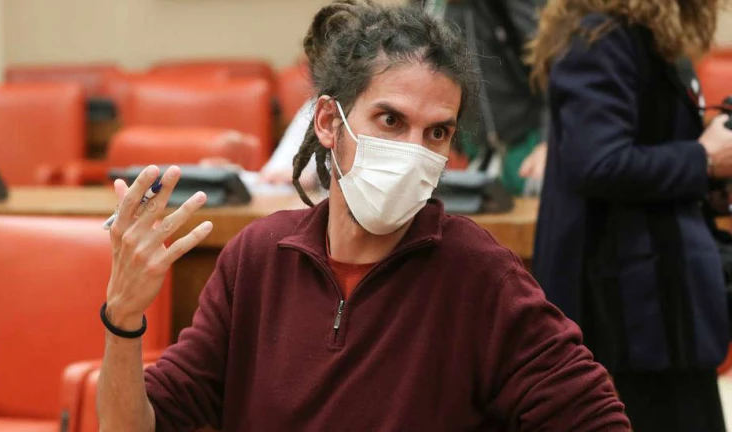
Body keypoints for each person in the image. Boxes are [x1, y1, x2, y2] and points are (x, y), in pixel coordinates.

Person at [97, 1, 630, 430]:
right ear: (329, 122)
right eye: (391, 121)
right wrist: (122, 318)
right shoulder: (256, 260)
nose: (414, 151)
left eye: (437, 132)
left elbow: (597, 419)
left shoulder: (481, 274)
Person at [528, 1, 732, 430]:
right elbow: (598, 163)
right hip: (631, 311)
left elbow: (650, 146)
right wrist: (703, 160)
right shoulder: (601, 40)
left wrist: (711, 182)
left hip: (660, 300)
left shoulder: (649, 37)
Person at [420, 0, 549, 196]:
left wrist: (548, 141)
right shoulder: (432, 8)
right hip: (476, 151)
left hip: (527, 142)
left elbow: (552, 66)